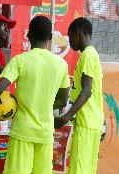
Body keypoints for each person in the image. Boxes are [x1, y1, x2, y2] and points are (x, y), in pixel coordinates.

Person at [0, 16, 70, 174]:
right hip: (45, 133)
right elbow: (62, 100)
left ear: (28, 36)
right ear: (50, 37)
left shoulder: (20, 60)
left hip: (23, 131)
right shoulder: (61, 65)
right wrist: (43, 103)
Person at [56, 17, 104, 174]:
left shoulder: (88, 55)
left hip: (86, 122)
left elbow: (87, 91)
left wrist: (67, 116)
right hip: (92, 122)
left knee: (79, 170)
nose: (69, 41)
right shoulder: (91, 54)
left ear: (77, 32)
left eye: (69, 36)